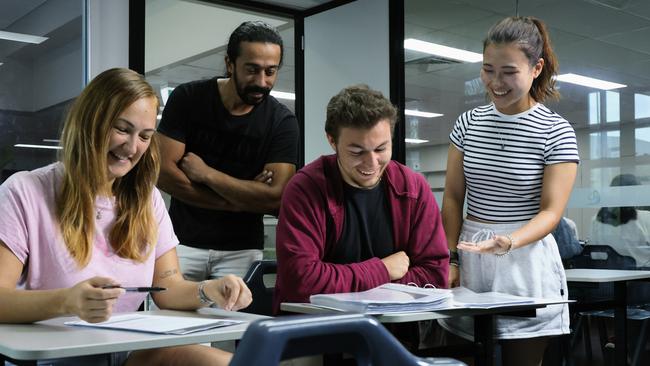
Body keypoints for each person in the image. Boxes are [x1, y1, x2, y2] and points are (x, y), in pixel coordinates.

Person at [0, 68, 252, 366]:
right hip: (57, 357)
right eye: (122, 129)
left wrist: (207, 290)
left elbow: (168, 289)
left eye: (145, 136)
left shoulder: (147, 199)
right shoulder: (25, 191)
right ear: (90, 123)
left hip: (128, 351)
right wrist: (67, 301)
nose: (132, 148)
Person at [439, 16, 579, 366]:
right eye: (488, 70)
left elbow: (551, 211)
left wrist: (510, 240)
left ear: (536, 68)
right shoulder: (468, 124)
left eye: (508, 72)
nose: (495, 83)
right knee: (465, 354)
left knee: (523, 359)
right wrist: (450, 258)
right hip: (471, 252)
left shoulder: (555, 131)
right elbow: (453, 196)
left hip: (525, 257)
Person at [273, 85, 449, 314]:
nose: (372, 163)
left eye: (381, 149)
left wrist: (347, 284)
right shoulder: (305, 189)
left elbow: (435, 276)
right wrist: (383, 270)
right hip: (314, 329)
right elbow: (301, 281)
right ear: (332, 141)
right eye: (357, 152)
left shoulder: (413, 189)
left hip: (395, 331)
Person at [156, 21, 300, 281]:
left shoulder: (282, 122)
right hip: (180, 242)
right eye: (252, 70)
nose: (262, 81)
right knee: (166, 319)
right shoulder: (188, 98)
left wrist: (207, 174)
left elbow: (274, 198)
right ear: (230, 63)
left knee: (235, 322)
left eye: (271, 71)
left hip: (241, 250)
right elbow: (163, 173)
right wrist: (237, 201)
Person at [589, 174, 650, 268]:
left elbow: (595, 255)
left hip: (608, 277)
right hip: (641, 278)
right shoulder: (646, 218)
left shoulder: (597, 220)